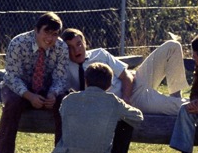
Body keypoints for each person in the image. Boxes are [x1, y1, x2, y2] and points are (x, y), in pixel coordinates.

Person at [0, 12, 70, 153]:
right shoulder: (18, 43)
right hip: (19, 88)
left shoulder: (61, 47)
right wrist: (28, 95)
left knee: (65, 104)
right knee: (11, 103)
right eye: (46, 32)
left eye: (55, 34)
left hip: (46, 88)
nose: (50, 38)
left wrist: (53, 93)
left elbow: (60, 77)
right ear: (36, 30)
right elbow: (12, 76)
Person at [60, 28, 188, 115]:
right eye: (70, 47)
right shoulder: (64, 67)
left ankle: (176, 96)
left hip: (133, 89)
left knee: (172, 46)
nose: (76, 50)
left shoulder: (99, 53)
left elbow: (126, 76)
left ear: (85, 43)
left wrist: (126, 98)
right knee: (176, 108)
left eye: (78, 44)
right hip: (130, 101)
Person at [52, 62, 144, 153]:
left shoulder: (68, 99)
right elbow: (138, 116)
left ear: (85, 80)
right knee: (126, 124)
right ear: (110, 84)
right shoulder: (113, 101)